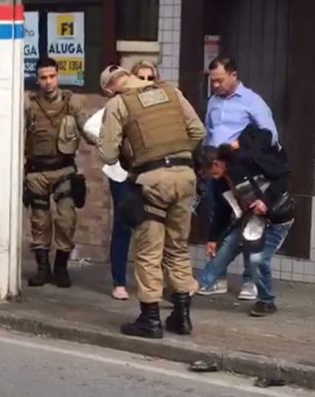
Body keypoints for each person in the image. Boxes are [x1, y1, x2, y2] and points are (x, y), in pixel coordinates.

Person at [96, 64, 206, 338]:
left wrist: (140, 157)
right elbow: (198, 132)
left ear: (110, 89)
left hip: (153, 181)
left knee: (149, 251)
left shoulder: (119, 103)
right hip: (185, 176)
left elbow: (108, 154)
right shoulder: (172, 92)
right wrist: (176, 156)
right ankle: (181, 318)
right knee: (178, 247)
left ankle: (151, 320)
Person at [198, 55, 279, 300]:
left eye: (220, 80)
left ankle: (250, 281)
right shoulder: (213, 101)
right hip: (216, 172)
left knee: (249, 224)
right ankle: (218, 277)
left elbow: (270, 137)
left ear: (234, 75)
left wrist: (240, 147)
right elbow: (209, 132)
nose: (215, 86)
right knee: (219, 219)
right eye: (212, 81)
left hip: (242, 172)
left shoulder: (252, 102)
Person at [196, 125, 294, 316]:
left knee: (259, 259)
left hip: (277, 218)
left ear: (217, 164)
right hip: (251, 219)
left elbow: (283, 174)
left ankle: (266, 301)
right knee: (225, 249)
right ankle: (194, 287)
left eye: (209, 173)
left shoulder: (246, 160)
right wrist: (213, 238)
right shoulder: (219, 183)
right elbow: (222, 212)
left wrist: (266, 201)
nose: (209, 178)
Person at [23, 57, 95, 288]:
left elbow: (86, 128)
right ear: (37, 80)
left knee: (66, 220)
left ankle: (61, 268)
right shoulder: (29, 105)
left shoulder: (70, 102)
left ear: (58, 76)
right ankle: (43, 269)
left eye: (52, 76)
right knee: (40, 222)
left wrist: (103, 141)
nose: (48, 82)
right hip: (36, 172)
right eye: (43, 78)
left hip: (64, 169)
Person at [106, 60, 162, 301]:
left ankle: (150, 283)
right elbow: (95, 131)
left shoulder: (159, 105)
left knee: (152, 227)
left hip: (150, 173)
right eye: (141, 77)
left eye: (150, 78)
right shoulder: (118, 104)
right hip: (122, 174)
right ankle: (119, 281)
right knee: (124, 225)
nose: (146, 83)